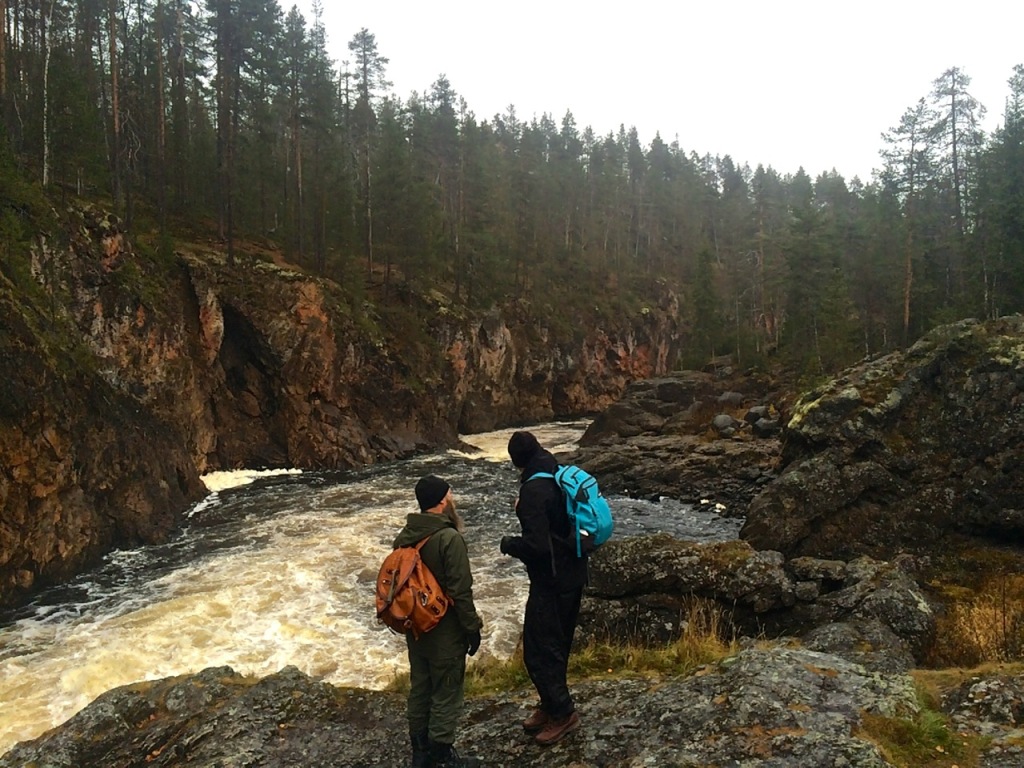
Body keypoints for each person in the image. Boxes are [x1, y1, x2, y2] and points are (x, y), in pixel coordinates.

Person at [499, 431, 586, 746]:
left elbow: (536, 546)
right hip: (573, 574)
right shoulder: (556, 472)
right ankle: (550, 705)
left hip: (551, 581)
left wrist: (510, 544)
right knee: (557, 644)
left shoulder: (534, 492)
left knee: (539, 650)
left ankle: (563, 714)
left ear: (516, 462)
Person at [394, 475, 483, 768]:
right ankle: (441, 757)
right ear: (443, 501)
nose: (451, 498)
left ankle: (419, 753)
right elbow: (460, 592)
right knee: (446, 691)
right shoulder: (449, 539)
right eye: (449, 494)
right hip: (445, 631)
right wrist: (472, 629)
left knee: (420, 687)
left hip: (416, 629)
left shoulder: (404, 537)